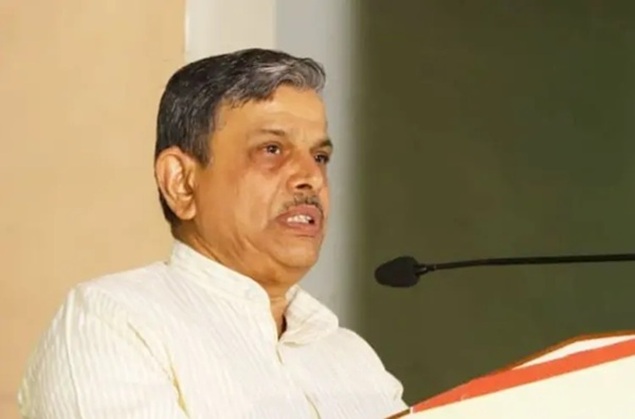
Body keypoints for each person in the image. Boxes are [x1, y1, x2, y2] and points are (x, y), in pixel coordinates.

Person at [18, 48, 407, 418]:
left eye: (320, 157)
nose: (311, 177)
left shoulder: (351, 358)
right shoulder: (114, 322)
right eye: (272, 149)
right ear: (182, 183)